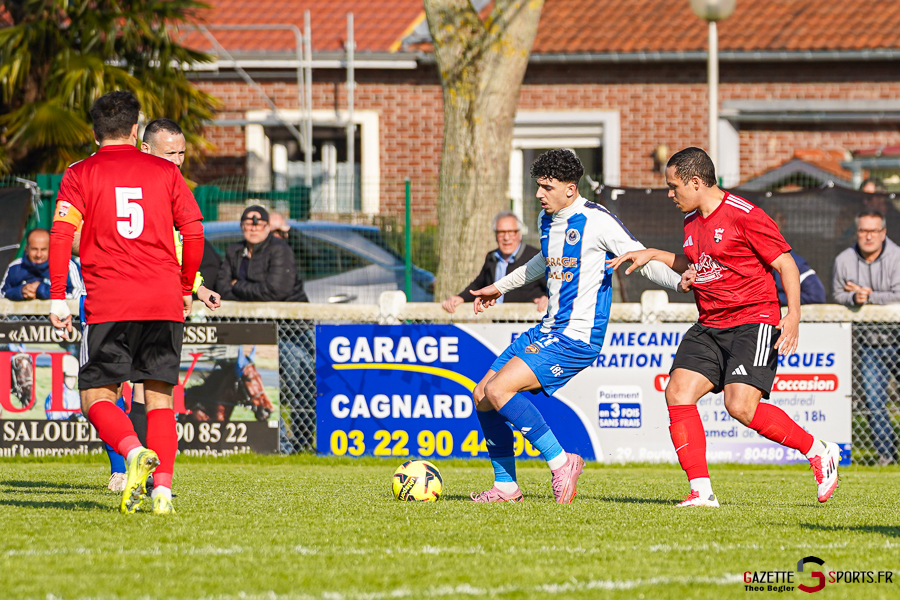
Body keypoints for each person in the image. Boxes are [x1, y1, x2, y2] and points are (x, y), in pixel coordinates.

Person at [609, 147, 841, 507]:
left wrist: (793, 315)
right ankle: (701, 492)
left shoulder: (745, 215)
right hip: (709, 323)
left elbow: (787, 265)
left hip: (753, 321)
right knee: (678, 393)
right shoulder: (690, 219)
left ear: (696, 182)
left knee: (741, 406)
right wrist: (654, 254)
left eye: (674, 187)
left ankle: (818, 449)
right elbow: (696, 260)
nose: (670, 195)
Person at [468, 149, 687, 503]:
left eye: (546, 187)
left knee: (499, 391)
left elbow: (640, 257)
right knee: (481, 396)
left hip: (576, 338)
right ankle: (506, 487)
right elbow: (544, 260)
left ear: (571, 189)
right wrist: (499, 286)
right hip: (547, 329)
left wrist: (680, 283)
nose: (539, 194)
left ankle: (561, 463)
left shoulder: (597, 221)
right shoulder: (546, 220)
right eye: (537, 186)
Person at [48, 90, 205, 515]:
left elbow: (62, 235)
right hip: (163, 299)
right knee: (160, 400)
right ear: (137, 130)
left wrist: (58, 295)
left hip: (111, 300)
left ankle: (133, 452)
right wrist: (186, 287)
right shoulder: (164, 171)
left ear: (95, 131)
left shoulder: (79, 173)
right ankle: (162, 493)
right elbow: (193, 233)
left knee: (96, 396)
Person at [833, 209, 900, 465]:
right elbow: (837, 294)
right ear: (857, 232)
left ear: (883, 233)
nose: (868, 236)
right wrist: (854, 297)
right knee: (874, 402)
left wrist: (868, 295)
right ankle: (887, 454)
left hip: (898, 339)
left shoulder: (897, 257)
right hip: (870, 344)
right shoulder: (843, 260)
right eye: (863, 230)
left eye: (874, 231)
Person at [441, 211, 548, 314]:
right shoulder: (491, 258)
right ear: (495, 235)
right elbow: (479, 284)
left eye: (511, 232)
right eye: (501, 232)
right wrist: (461, 297)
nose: (506, 238)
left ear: (519, 234)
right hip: (497, 324)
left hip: (526, 325)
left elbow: (553, 286)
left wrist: (547, 298)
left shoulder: (536, 257)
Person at [215, 205, 309, 302]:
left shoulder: (280, 250)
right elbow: (222, 287)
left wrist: (237, 285)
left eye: (259, 225)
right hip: (247, 314)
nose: (254, 229)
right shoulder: (234, 250)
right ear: (242, 226)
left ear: (268, 227)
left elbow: (275, 291)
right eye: (248, 224)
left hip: (286, 312)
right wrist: (244, 301)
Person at [1, 228, 84, 300]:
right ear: (26, 248)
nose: (39, 254)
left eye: (43, 249)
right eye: (34, 249)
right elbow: (2, 295)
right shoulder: (15, 267)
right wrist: (20, 292)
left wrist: (43, 291)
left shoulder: (67, 266)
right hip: (20, 318)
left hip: (60, 317)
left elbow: (77, 296)